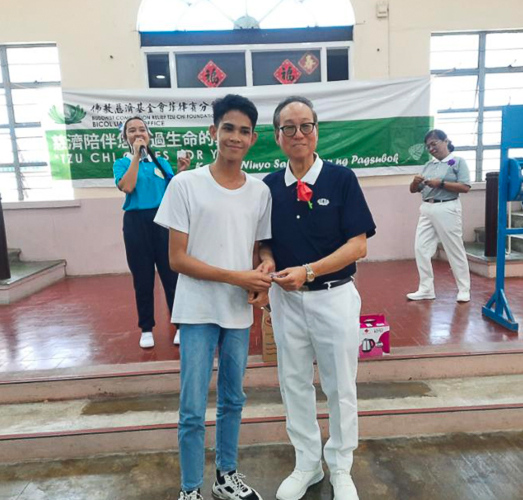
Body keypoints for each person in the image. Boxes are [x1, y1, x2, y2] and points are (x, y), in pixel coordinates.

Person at [154, 94, 273, 500]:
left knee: (233, 400)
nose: (235, 137)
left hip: (238, 311)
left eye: (243, 131)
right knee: (191, 408)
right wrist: (236, 276)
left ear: (253, 138)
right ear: (213, 132)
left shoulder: (259, 192)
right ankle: (190, 489)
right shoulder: (186, 184)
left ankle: (226, 477)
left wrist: (262, 271)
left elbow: (261, 248)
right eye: (228, 128)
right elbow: (177, 259)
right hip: (197, 309)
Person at [261, 96, 376, 500]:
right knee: (293, 382)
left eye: (305, 125)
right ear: (276, 137)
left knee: (340, 384)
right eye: (288, 127)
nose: (298, 134)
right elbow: (264, 245)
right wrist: (267, 262)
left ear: (316, 131)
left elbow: (358, 246)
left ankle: (341, 466)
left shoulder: (341, 179)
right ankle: (307, 463)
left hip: (334, 297)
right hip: (286, 301)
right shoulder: (270, 187)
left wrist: (310, 271)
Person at [113, 116, 190, 349]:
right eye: (132, 130)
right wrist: (136, 156)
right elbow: (127, 186)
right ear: (125, 137)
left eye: (142, 129)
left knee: (172, 276)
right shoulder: (122, 163)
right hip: (137, 223)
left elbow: (174, 192)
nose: (138, 133)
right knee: (143, 278)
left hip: (163, 222)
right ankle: (146, 328)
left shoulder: (161, 162)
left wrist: (180, 172)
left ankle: (180, 325)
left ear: (149, 134)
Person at [407, 129, 471, 303]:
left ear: (446, 141)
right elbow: (414, 190)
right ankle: (426, 289)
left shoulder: (457, 162)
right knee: (421, 248)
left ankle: (464, 289)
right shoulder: (429, 165)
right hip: (427, 207)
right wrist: (415, 182)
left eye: (434, 143)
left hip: (447, 207)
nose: (431, 148)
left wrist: (440, 183)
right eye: (428, 146)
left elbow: (465, 187)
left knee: (454, 249)